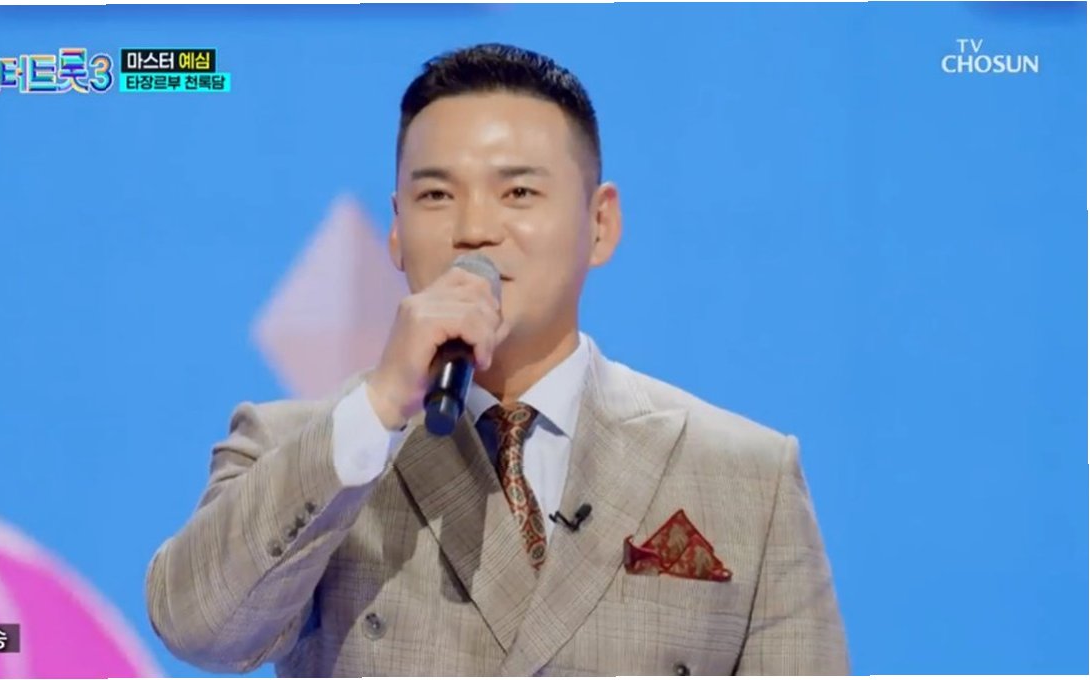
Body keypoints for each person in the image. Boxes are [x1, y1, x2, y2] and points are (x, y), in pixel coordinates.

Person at [145, 43, 849, 677]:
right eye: (435, 195)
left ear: (599, 223)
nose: (475, 229)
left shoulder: (746, 476)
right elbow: (199, 630)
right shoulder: (301, 448)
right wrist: (381, 404)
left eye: (518, 192)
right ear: (396, 232)